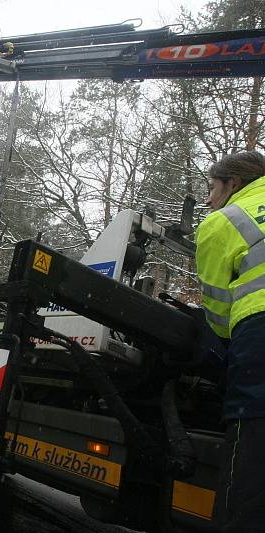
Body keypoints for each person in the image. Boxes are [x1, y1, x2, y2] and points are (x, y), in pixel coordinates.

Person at [195, 150, 265, 532]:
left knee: (252, 445)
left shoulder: (225, 221)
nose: (208, 199)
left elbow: (219, 314)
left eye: (211, 187)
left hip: (260, 333)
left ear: (233, 184)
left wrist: (219, 347)